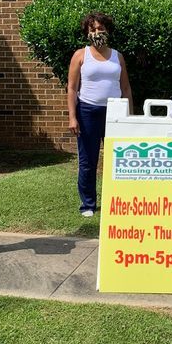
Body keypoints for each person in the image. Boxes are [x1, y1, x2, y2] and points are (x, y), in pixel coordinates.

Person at [67, 13, 133, 217]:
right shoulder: (80, 55)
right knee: (88, 160)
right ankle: (88, 204)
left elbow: (126, 87)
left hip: (115, 112)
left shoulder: (117, 56)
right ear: (87, 33)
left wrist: (129, 115)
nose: (97, 32)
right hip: (88, 111)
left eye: (101, 28)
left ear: (108, 31)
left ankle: (117, 201)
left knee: (118, 159)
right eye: (93, 29)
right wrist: (72, 116)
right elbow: (71, 88)